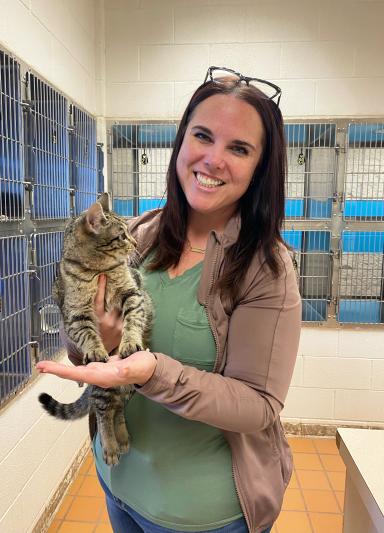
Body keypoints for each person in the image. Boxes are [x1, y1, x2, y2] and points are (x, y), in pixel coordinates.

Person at [37, 66, 302, 533]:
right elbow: (91, 346)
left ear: (261, 168)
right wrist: (90, 337)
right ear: (181, 144)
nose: (213, 159)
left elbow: (259, 404)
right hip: (118, 481)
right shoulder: (140, 234)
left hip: (201, 514)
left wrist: (152, 372)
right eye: (202, 136)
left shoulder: (266, 268)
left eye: (239, 148)